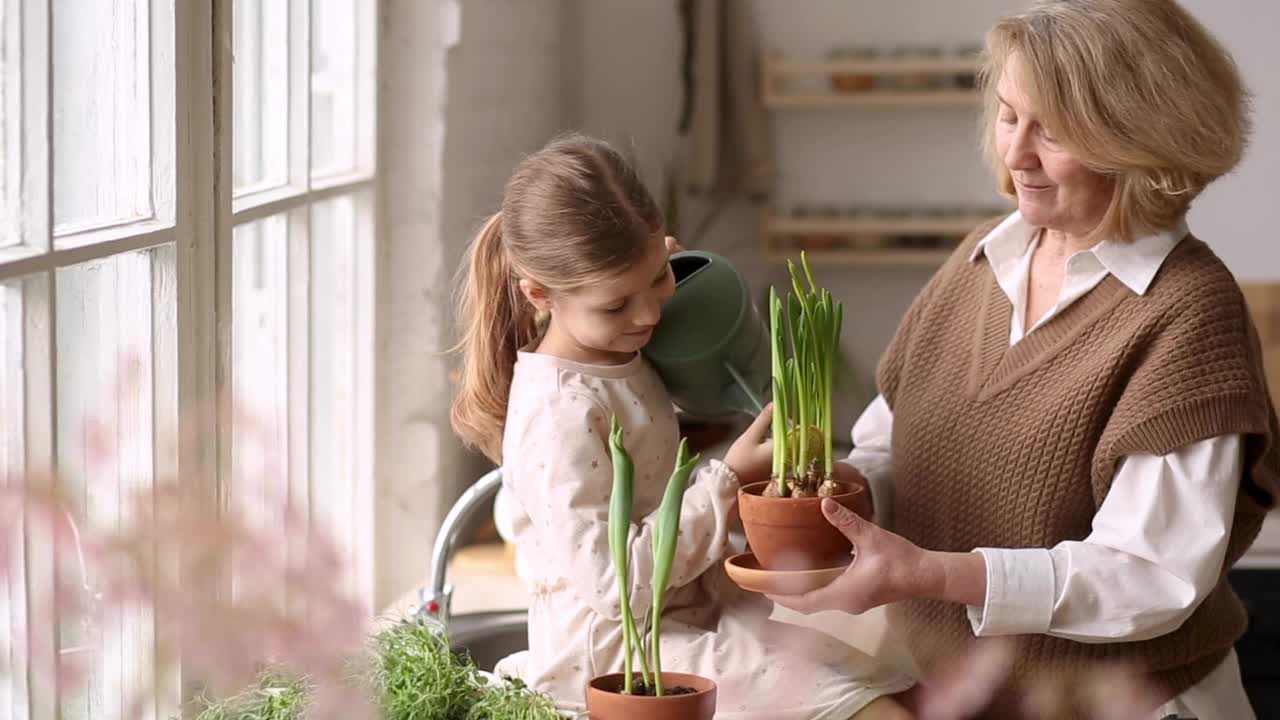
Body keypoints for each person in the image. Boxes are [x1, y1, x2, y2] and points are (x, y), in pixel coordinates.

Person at [766, 2, 1278, 719]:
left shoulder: (1188, 311)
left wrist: (931, 574)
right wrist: (826, 496)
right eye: (1009, 116)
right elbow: (893, 451)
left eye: (1054, 131)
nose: (1015, 153)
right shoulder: (981, 259)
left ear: (1142, 142)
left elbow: (1149, 577)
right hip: (959, 690)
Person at [450, 133, 913, 719]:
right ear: (540, 295)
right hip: (622, 659)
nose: (647, 315)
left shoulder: (615, 349)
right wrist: (726, 478)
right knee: (875, 711)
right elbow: (617, 588)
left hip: (693, 621)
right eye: (617, 305)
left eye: (658, 280)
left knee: (899, 690)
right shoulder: (558, 411)